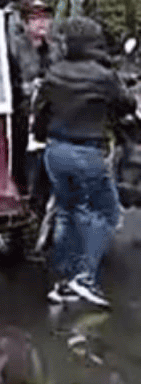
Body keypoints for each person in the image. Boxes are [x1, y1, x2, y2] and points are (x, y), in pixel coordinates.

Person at [33, 17, 135, 308]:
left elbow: (40, 116)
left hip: (55, 152)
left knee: (68, 213)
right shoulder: (103, 76)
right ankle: (86, 279)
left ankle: (64, 282)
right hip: (87, 151)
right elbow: (126, 103)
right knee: (106, 214)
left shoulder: (54, 74)